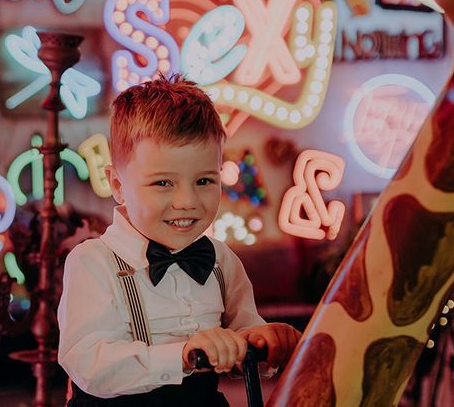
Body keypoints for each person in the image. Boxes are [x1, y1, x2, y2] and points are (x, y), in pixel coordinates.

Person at [57, 74, 301, 405]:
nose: (187, 200)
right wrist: (182, 355)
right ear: (117, 185)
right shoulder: (93, 262)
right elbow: (89, 362)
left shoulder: (221, 260)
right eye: (162, 184)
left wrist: (263, 341)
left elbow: (244, 333)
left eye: (203, 180)